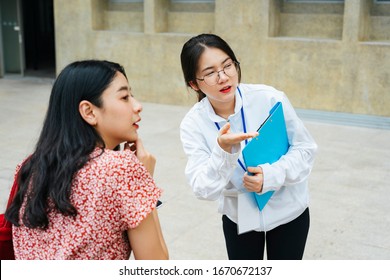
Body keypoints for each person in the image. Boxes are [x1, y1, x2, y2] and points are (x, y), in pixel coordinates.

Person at [5, 60, 168, 260]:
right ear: (89, 112)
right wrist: (145, 186)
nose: (138, 106)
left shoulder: (30, 167)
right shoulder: (120, 169)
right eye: (125, 97)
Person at [179, 34, 317, 260]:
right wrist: (223, 153)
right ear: (194, 83)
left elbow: (305, 149)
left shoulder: (270, 98)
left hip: (289, 212)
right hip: (239, 219)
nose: (223, 77)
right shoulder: (193, 124)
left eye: (227, 66)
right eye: (210, 73)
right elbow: (203, 189)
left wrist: (271, 175)